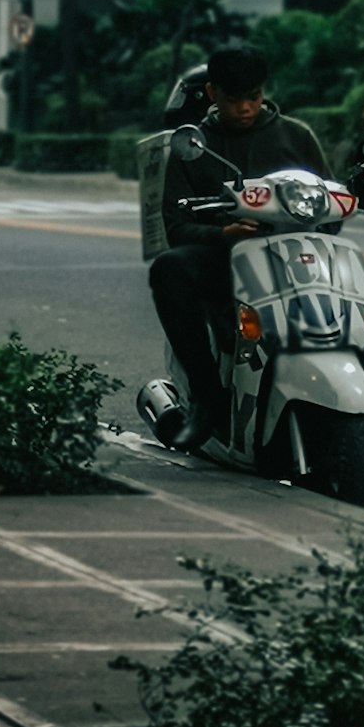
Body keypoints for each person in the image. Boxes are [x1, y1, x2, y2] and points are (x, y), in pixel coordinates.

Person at [148, 44, 330, 452]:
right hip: (225, 258)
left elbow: (330, 199)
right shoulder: (193, 146)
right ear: (212, 94)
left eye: (253, 97)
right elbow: (177, 226)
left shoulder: (296, 137)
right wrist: (222, 233)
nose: (245, 108)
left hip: (293, 256)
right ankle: (207, 398)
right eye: (234, 100)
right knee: (168, 269)